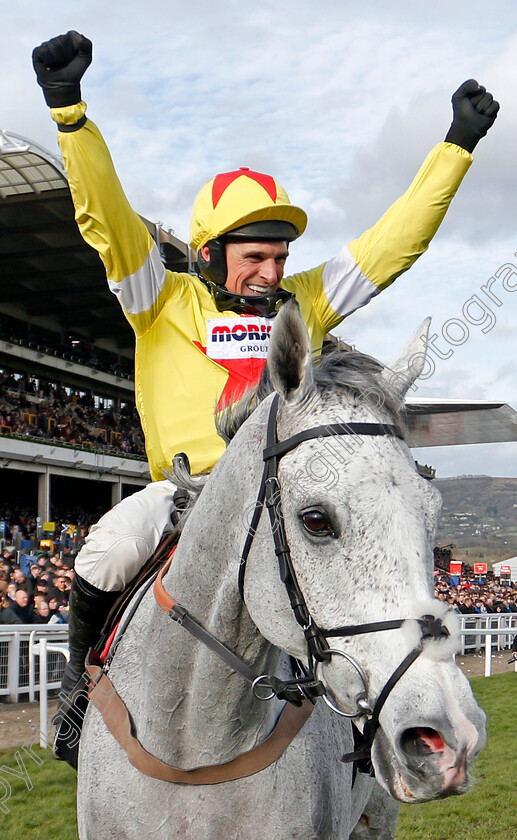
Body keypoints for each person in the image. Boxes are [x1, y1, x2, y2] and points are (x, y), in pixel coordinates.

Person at [32, 31, 499, 762]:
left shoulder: (301, 306)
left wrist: (455, 149)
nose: (272, 270)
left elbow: (389, 247)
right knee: (105, 551)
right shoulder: (160, 297)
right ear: (212, 254)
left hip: (285, 490)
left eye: (280, 256)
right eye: (255, 256)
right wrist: (69, 114)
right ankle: (74, 695)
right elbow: (106, 219)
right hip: (189, 494)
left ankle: (360, 730)